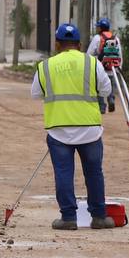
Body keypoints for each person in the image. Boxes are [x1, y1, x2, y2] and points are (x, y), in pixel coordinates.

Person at [31, 23, 115, 231]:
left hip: (59, 130)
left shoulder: (46, 66)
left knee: (63, 173)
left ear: (57, 44)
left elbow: (36, 94)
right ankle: (99, 217)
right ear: (79, 44)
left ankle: (68, 218)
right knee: (94, 172)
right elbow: (106, 90)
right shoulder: (91, 63)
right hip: (90, 129)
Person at [86, 17, 122, 113]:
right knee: (110, 85)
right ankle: (111, 99)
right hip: (112, 67)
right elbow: (119, 54)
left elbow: (89, 53)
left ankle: (102, 106)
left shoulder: (97, 38)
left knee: (99, 86)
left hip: (100, 66)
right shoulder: (115, 38)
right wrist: (119, 66)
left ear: (100, 28)